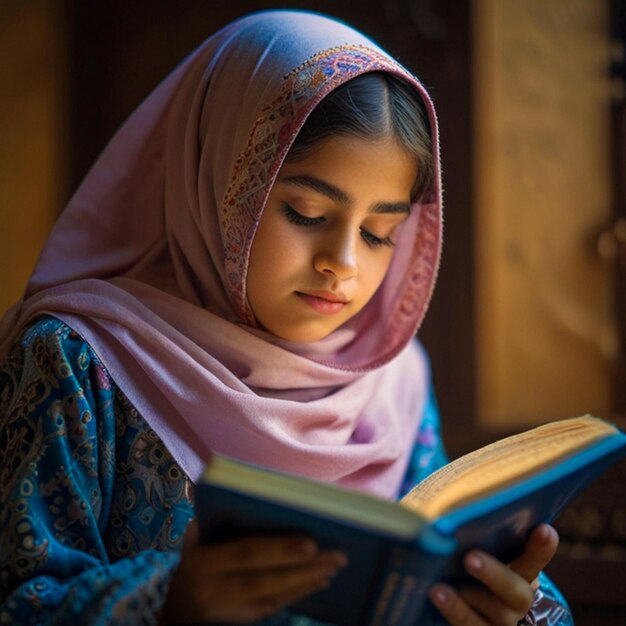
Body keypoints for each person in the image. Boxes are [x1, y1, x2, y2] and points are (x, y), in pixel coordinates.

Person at [0, 9, 573, 626]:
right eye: (305, 212)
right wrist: (168, 604)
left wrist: (511, 607)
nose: (342, 263)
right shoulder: (78, 360)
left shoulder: (392, 380)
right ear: (218, 182)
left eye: (381, 233)